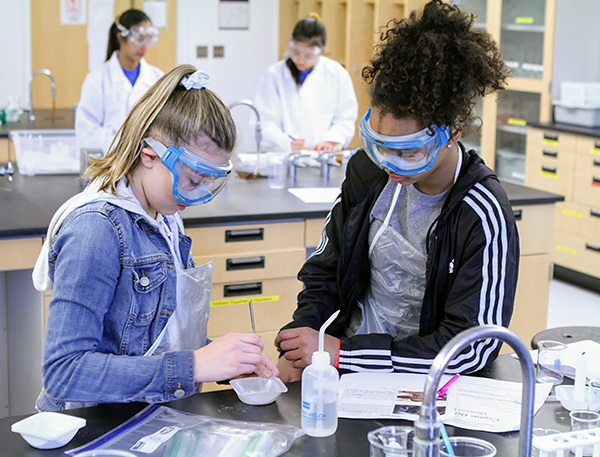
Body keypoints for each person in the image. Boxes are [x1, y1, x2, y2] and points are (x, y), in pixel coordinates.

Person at [275, 0, 518, 381]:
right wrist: (303, 340)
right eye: (380, 144)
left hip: (426, 386)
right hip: (344, 369)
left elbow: (472, 346)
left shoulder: (480, 211)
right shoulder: (366, 173)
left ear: (453, 132)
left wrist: (344, 355)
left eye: (408, 151)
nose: (390, 163)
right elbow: (326, 272)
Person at [33, 64, 278, 411]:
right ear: (149, 156)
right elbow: (65, 373)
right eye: (192, 182)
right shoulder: (96, 230)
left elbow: (150, 339)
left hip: (143, 414)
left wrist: (225, 360)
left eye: (209, 183)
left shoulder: (164, 216)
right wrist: (196, 366)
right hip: (92, 427)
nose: (198, 197)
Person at [254, 13, 358, 153]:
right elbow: (264, 121)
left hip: (322, 157)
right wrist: (286, 142)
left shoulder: (337, 74)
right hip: (283, 156)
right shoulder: (273, 75)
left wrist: (330, 141)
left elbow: (345, 118)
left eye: (308, 55)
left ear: (322, 50)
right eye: (296, 52)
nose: (301, 60)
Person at [75, 9, 164, 155]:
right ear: (121, 37)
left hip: (147, 165)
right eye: (139, 39)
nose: (145, 46)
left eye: (148, 39)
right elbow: (86, 135)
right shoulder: (97, 79)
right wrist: (125, 141)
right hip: (109, 164)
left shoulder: (157, 78)